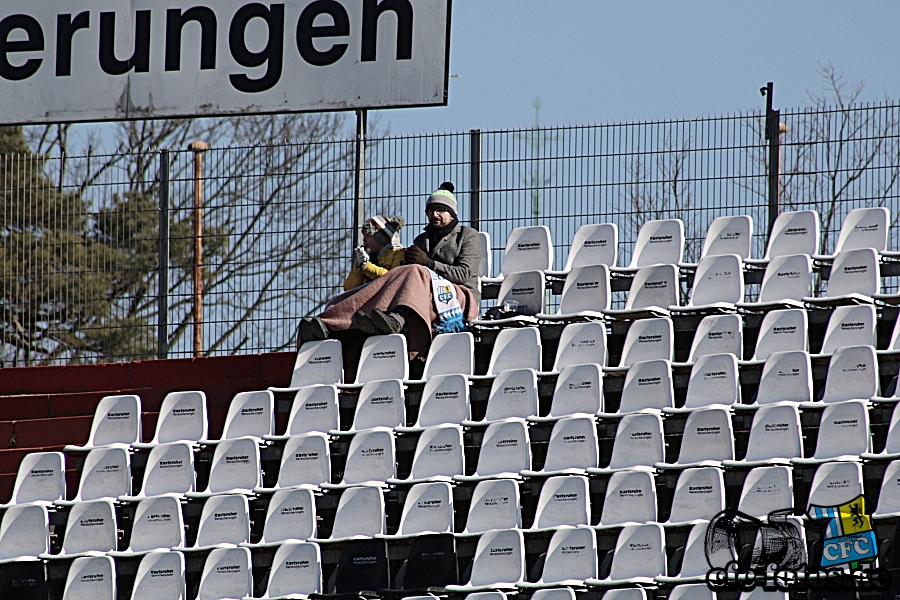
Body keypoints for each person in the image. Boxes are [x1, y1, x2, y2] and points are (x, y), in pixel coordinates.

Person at [297, 182, 481, 362]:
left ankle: (397, 319)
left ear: (452, 213)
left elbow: (464, 274)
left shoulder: (467, 236)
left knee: (413, 272)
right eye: (431, 211)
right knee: (394, 277)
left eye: (441, 210)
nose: (435, 215)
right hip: (424, 292)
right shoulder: (420, 240)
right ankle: (328, 323)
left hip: (458, 296)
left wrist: (429, 263)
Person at [343, 215, 405, 291]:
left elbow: (392, 279)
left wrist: (366, 266)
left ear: (380, 238)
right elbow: (349, 288)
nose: (364, 240)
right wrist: (359, 266)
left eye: (368, 235)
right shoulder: (366, 256)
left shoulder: (399, 254)